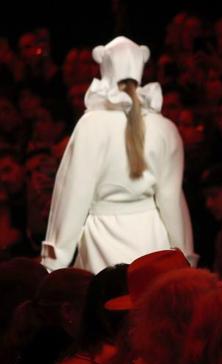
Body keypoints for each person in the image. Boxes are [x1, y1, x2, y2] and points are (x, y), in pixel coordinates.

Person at [41, 36, 196, 273]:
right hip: (152, 241)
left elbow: (74, 194)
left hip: (102, 242)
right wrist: (185, 257)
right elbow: (171, 199)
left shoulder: (91, 125)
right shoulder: (165, 127)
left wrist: (53, 262)